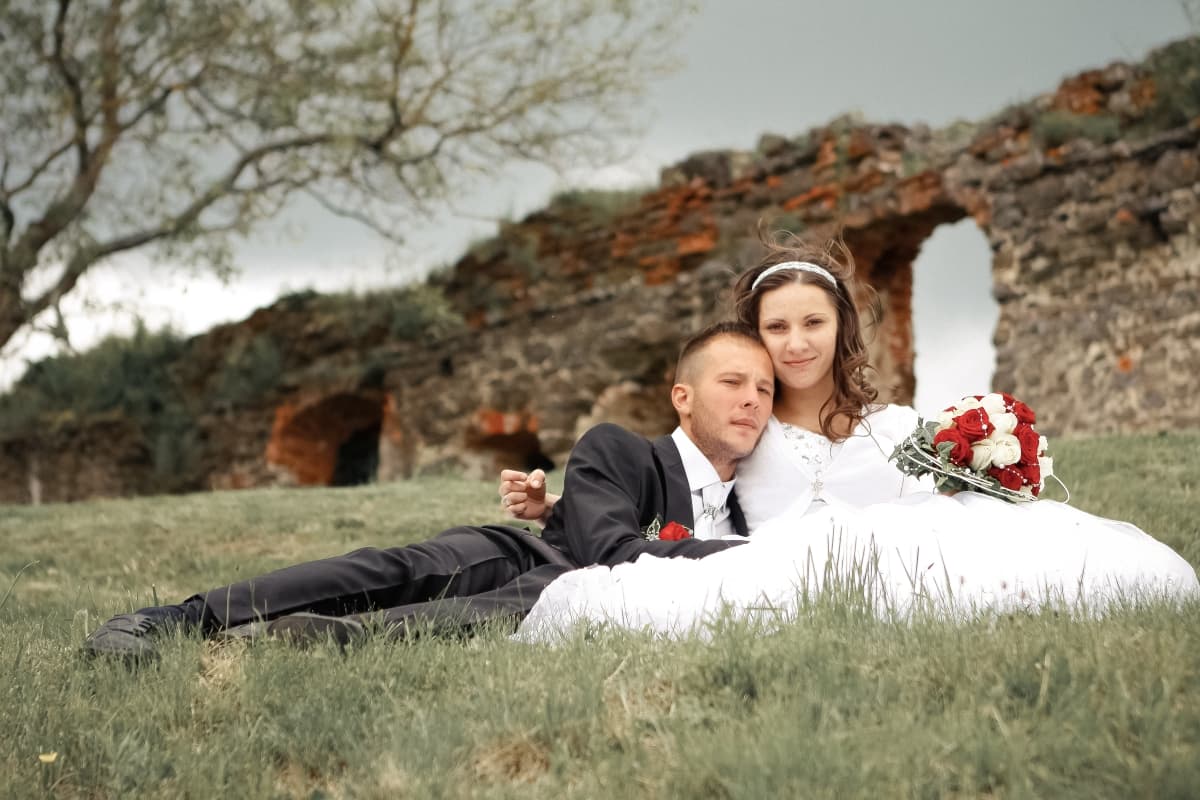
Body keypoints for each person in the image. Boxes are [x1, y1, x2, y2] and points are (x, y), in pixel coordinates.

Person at [504, 234, 1200, 640]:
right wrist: (562, 507)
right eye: (777, 328)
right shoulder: (744, 429)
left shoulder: (896, 429)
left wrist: (987, 458)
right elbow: (679, 487)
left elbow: (956, 511)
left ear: (841, 327)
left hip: (903, 569)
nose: (796, 343)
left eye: (813, 323)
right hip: (776, 574)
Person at [83, 322, 774, 661]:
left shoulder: (758, 507)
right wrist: (755, 557)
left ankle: (314, 643)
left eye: (765, 390)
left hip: (562, 602)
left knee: (535, 604)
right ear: (682, 397)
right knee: (399, 569)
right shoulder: (621, 448)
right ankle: (173, 619)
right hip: (534, 555)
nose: (751, 399)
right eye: (732, 383)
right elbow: (610, 550)